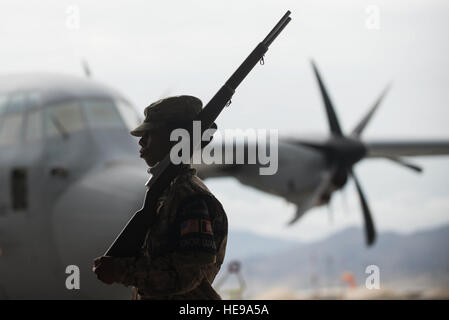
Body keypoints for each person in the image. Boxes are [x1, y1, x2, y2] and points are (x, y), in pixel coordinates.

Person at [92, 95, 228, 300]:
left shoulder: (190, 198)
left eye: (151, 133)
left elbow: (188, 273)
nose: (141, 140)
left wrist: (122, 270)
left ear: (176, 138)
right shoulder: (169, 192)